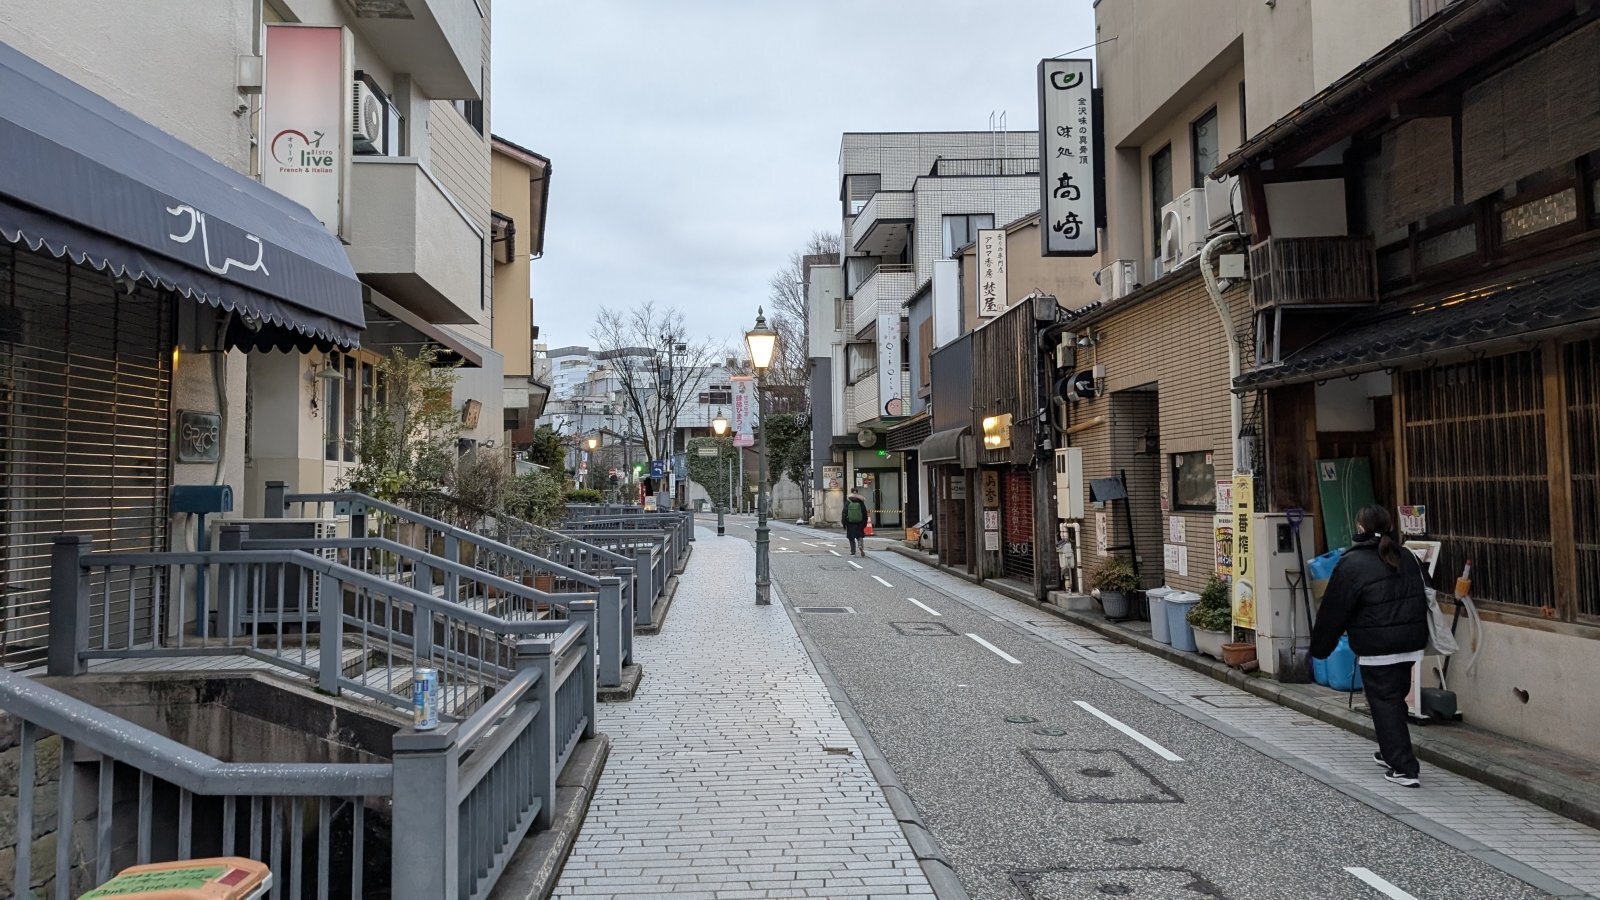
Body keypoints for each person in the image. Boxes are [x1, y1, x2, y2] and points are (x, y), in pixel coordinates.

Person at [1310, 505, 1429, 788]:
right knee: (1394, 698)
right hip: (1411, 642)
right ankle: (1390, 751)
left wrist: (1319, 648)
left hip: (1378, 647)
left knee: (1384, 703)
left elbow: (1334, 609)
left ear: (1361, 528)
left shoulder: (1353, 563)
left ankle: (1404, 767)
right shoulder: (1408, 556)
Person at [841, 491, 870, 557]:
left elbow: (844, 513)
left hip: (850, 523)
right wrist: (864, 523)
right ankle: (860, 546)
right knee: (860, 536)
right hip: (860, 523)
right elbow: (865, 514)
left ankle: (853, 552)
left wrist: (844, 524)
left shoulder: (848, 503)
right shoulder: (861, 503)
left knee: (851, 538)